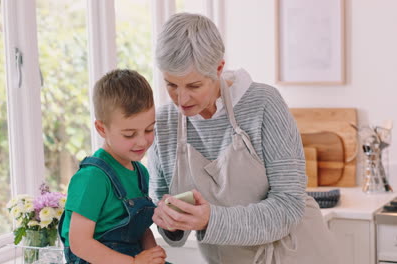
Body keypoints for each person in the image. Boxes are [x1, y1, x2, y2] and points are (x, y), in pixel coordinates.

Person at [147, 13, 339, 263]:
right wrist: (170, 220)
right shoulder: (164, 124)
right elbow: (166, 214)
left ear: (218, 69)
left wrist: (211, 219)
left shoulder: (264, 104)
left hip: (297, 254)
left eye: (194, 86)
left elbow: (289, 205)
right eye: (171, 84)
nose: (181, 99)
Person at [59, 69, 167, 264]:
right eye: (129, 134)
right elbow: (79, 243)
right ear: (102, 129)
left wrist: (152, 253)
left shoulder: (140, 172)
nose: (142, 141)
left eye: (149, 129)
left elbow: (139, 229)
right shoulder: (92, 178)